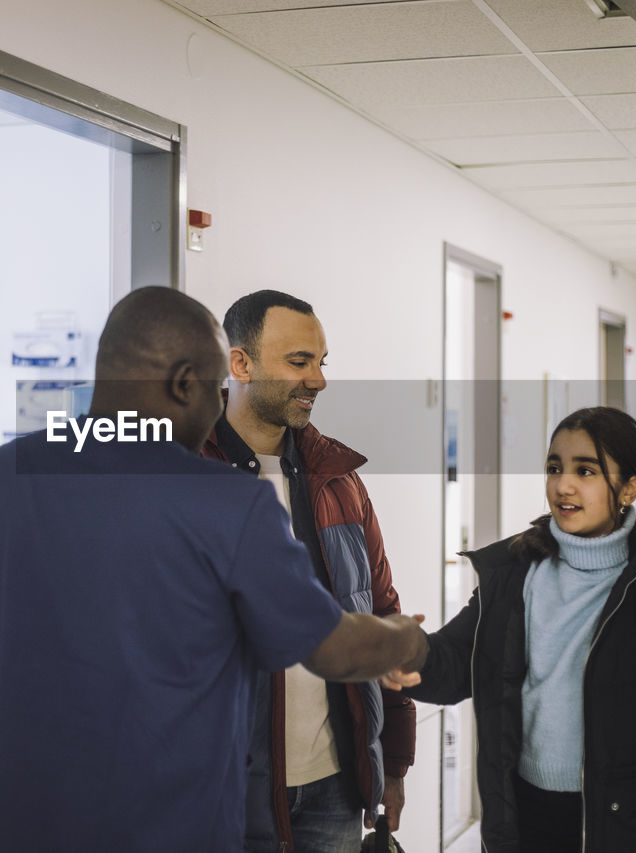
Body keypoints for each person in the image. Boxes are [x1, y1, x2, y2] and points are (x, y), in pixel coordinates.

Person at [0, 286, 430, 853]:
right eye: (213, 390)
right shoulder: (231, 505)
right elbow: (331, 647)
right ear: (186, 383)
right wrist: (404, 637)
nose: (215, 409)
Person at [395, 406, 636, 853]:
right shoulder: (516, 572)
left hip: (628, 827)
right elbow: (458, 660)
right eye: (554, 468)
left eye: (585, 470)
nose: (563, 485)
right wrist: (407, 652)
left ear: (629, 488)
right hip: (526, 817)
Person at [202, 290, 417, 852]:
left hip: (333, 790)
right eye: (299, 362)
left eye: (322, 363)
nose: (317, 381)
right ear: (240, 363)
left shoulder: (338, 481)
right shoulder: (187, 478)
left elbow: (381, 612)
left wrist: (392, 761)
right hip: (220, 794)